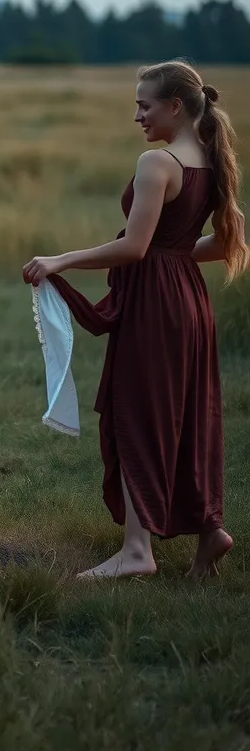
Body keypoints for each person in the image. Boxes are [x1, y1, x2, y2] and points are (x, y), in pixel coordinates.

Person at [24, 61, 248, 580]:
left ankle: (137, 551)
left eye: (145, 105)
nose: (137, 115)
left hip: (156, 304)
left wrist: (60, 260)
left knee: (135, 415)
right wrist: (176, 257)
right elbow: (229, 243)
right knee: (184, 414)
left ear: (174, 106)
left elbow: (133, 246)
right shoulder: (213, 160)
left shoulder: (158, 162)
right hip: (189, 303)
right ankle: (211, 532)